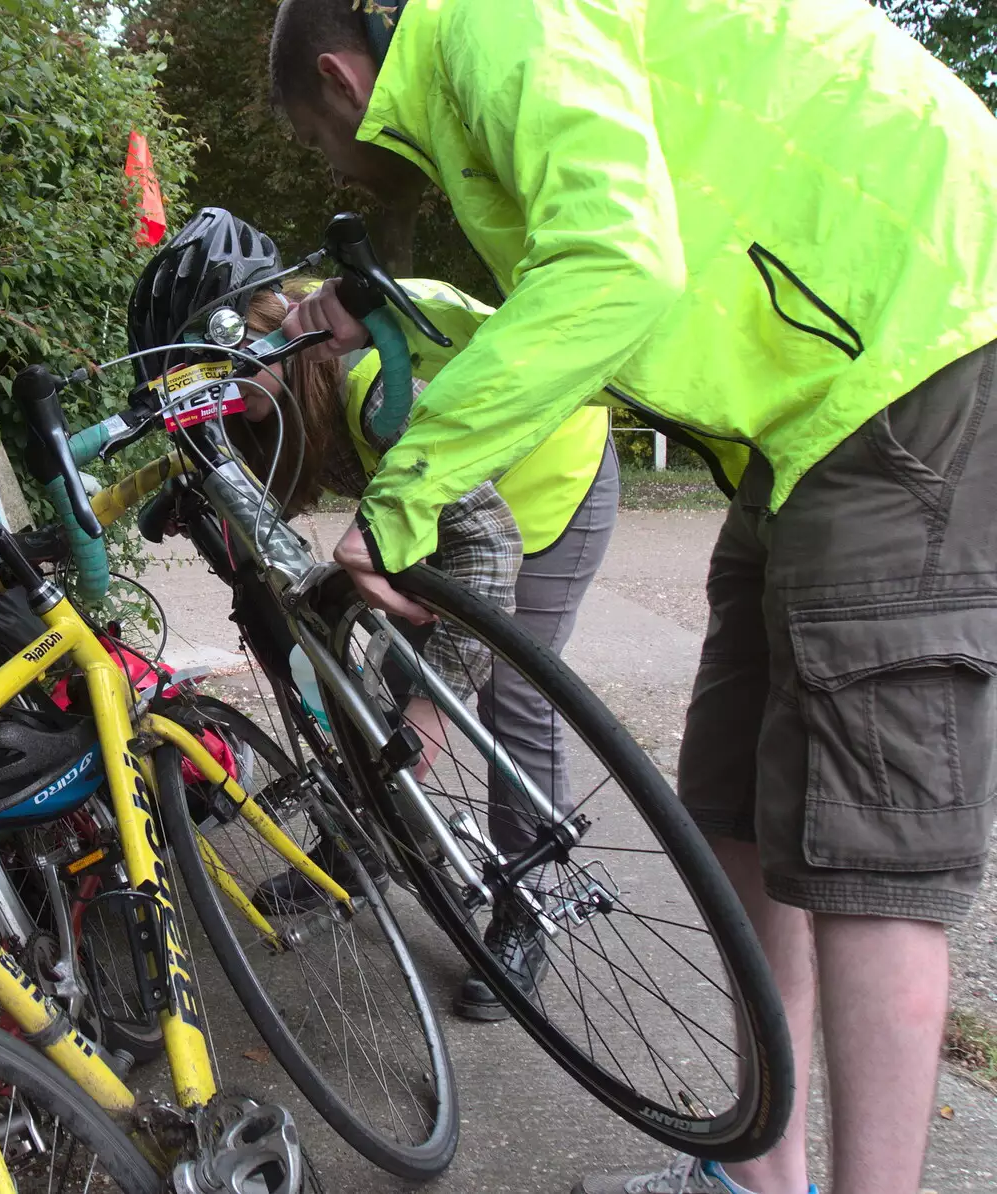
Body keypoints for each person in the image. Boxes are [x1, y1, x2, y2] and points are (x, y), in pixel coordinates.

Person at [267, 1, 997, 1193]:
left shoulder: (489, 28)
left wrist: (403, 500)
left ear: (342, 80)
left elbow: (618, 264)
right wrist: (399, 310)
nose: (332, 164)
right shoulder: (482, 79)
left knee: (869, 854)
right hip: (804, 419)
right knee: (733, 809)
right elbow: (573, 300)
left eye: (312, 139)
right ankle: (757, 1178)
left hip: (913, 357)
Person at [227, 273, 619, 1022]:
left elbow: (491, 548)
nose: (221, 381)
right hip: (452, 501)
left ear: (278, 326)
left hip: (548, 488)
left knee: (513, 694)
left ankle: (526, 902)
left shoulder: (374, 385)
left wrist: (427, 718)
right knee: (379, 678)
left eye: (234, 356)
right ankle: (365, 839)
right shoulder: (298, 388)